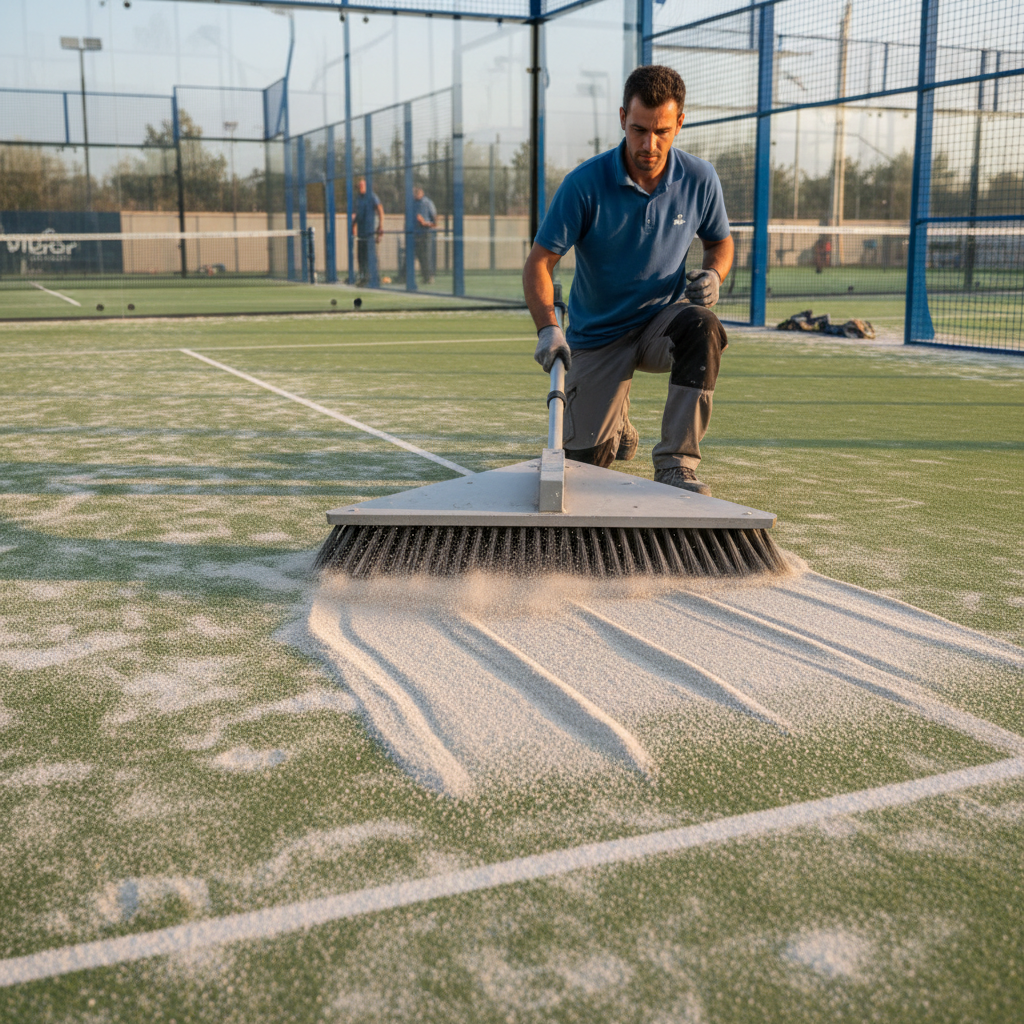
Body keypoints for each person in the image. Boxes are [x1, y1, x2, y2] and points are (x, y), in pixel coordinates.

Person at [522, 64, 734, 495]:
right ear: (622, 119)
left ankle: (677, 463)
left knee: (703, 326)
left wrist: (715, 272)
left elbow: (721, 243)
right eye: (638, 129)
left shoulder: (700, 179)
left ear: (680, 123)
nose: (649, 144)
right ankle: (616, 423)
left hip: (661, 325)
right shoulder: (584, 184)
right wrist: (548, 329)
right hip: (597, 336)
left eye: (661, 131)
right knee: (584, 473)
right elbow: (539, 264)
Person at [351, 177, 384, 285]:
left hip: (369, 232)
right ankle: (364, 279)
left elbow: (380, 209)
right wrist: (353, 227)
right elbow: (356, 215)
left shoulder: (372, 196)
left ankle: (375, 278)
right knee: (361, 257)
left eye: (362, 185)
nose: (360, 187)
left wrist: (380, 225)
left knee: (371, 257)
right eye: (359, 186)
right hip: (361, 233)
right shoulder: (358, 198)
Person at [413, 186, 437, 284]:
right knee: (412, 256)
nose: (415, 195)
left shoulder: (427, 203)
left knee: (425, 257)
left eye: (416, 192)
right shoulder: (412, 203)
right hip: (414, 235)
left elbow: (434, 222)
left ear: (421, 192)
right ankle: (404, 277)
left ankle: (428, 277)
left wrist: (424, 223)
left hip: (425, 234)